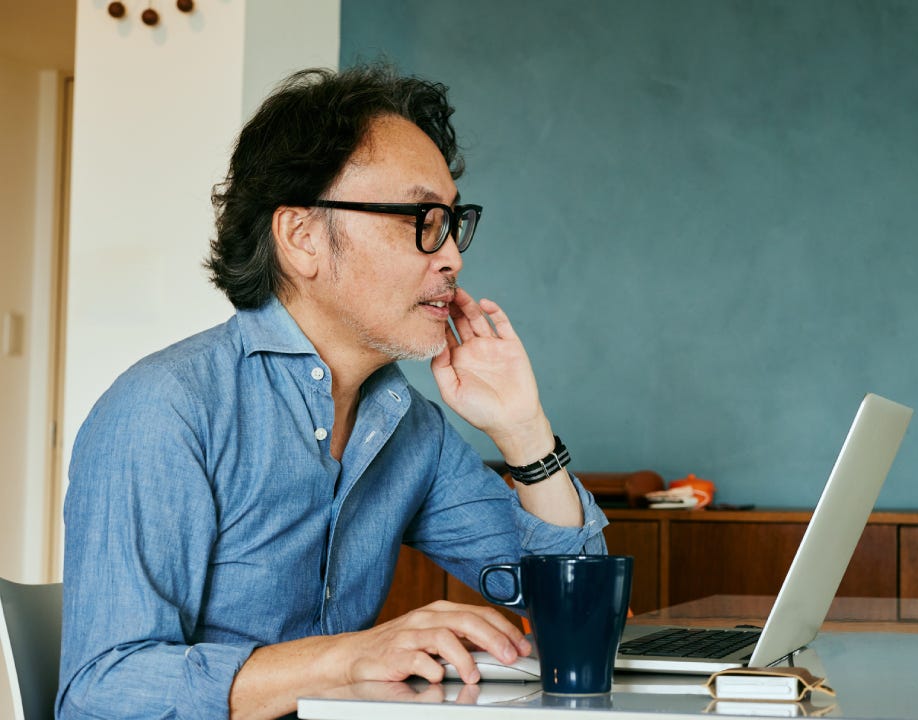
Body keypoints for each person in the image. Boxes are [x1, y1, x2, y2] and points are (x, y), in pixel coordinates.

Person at [57, 65, 607, 720]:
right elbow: (101, 692)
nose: (452, 255)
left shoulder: (409, 427)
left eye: (454, 221)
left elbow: (577, 609)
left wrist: (523, 430)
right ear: (302, 238)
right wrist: (346, 660)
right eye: (422, 219)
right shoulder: (167, 409)